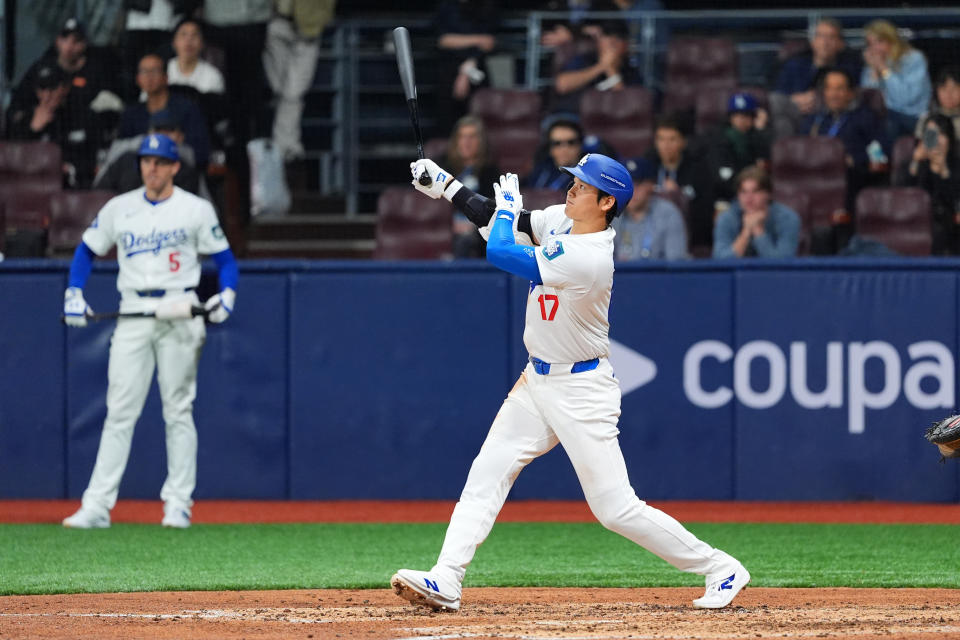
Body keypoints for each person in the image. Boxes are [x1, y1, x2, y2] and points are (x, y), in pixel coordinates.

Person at [390, 152, 750, 612]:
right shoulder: (563, 220)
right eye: (574, 181)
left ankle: (720, 567)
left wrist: (503, 213)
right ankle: (447, 578)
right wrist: (446, 185)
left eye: (583, 186)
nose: (572, 189)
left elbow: (500, 249)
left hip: (581, 389)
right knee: (487, 472)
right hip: (536, 380)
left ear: (605, 202)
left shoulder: (590, 257)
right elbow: (509, 221)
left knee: (615, 509)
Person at [61, 133, 238, 530]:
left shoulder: (195, 209)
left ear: (175, 166)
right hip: (133, 309)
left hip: (179, 307)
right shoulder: (119, 208)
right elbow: (86, 250)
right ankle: (97, 506)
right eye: (146, 160)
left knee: (178, 409)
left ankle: (178, 505)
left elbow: (226, 262)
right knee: (119, 411)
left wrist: (227, 295)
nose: (151, 167)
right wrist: (73, 292)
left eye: (159, 161)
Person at [7, 18, 123, 187]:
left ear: (64, 89)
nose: (48, 95)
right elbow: (12, 155)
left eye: (53, 88)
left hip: (74, 184)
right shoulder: (29, 114)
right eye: (43, 89)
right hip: (32, 185)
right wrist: (32, 128)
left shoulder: (82, 108)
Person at [800, 68, 886, 216]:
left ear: (850, 93)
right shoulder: (814, 120)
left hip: (849, 178)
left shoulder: (865, 118)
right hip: (814, 175)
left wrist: (854, 160)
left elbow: (879, 155)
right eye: (829, 89)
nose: (834, 95)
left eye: (839, 89)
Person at [263, 0, 335, 162]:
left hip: (308, 27)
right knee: (279, 89)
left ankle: (284, 148)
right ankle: (285, 145)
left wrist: (320, 19)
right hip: (276, 21)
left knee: (294, 91)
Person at [770, 18, 862, 138]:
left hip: (829, 115)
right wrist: (794, 100)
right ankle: (788, 153)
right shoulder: (795, 64)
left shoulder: (848, 68)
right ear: (813, 42)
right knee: (775, 106)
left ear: (840, 44)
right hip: (796, 112)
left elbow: (854, 97)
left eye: (831, 37)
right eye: (821, 36)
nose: (825, 42)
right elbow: (779, 94)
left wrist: (820, 99)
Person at [118, 53, 211, 168]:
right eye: (144, 71)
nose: (149, 77)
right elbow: (118, 151)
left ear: (166, 77)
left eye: (155, 71)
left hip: (178, 171)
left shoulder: (187, 109)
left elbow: (202, 154)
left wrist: (179, 141)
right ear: (138, 79)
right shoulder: (131, 113)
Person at [645, 114, 715, 254]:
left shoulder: (699, 172)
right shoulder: (647, 170)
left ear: (683, 142)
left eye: (672, 139)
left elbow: (706, 215)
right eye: (661, 139)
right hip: (650, 237)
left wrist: (679, 196)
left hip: (689, 238)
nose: (666, 145)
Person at [432, 0, 498, 137]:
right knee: (447, 123)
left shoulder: (486, 6)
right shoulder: (447, 6)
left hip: (477, 66)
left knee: (479, 122)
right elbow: (443, 40)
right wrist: (477, 39)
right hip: (448, 69)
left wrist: (468, 68)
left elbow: (489, 42)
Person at [94, 110, 201, 195]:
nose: (163, 135)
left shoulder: (186, 168)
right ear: (148, 134)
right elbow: (99, 194)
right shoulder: (126, 159)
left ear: (181, 137)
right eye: (158, 130)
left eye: (170, 130)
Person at [860, 19, 931, 140]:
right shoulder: (875, 63)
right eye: (870, 44)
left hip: (914, 117)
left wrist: (884, 70)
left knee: (889, 121)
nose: (875, 48)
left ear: (892, 41)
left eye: (879, 42)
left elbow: (904, 98)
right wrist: (874, 72)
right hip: (885, 118)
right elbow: (868, 100)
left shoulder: (913, 59)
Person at [550, 18, 638, 116]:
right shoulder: (584, 59)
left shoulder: (630, 70)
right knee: (563, 131)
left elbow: (627, 105)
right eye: (607, 35)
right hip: (573, 115)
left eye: (618, 37)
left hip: (611, 120)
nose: (612, 42)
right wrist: (601, 66)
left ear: (626, 45)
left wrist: (612, 71)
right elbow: (562, 85)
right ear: (599, 41)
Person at [442, 115, 501, 258]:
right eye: (462, 137)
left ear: (481, 141)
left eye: (472, 137)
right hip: (447, 226)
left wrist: (474, 224)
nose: (466, 143)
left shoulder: (490, 171)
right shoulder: (444, 168)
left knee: (467, 240)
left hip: (477, 229)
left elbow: (492, 206)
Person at [713, 166, 800, 258]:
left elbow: (782, 264)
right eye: (743, 192)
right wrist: (746, 232)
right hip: (738, 272)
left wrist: (758, 231)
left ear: (768, 194)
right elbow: (720, 261)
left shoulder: (788, 218)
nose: (748, 198)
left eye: (755, 191)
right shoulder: (726, 218)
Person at [612, 157, 689, 260]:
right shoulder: (610, 216)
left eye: (638, 184)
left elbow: (676, 266)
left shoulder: (668, 214)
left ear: (651, 185)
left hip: (657, 276)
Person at [908, 113, 960, 255]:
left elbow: (955, 200)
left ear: (949, 138)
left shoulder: (956, 165)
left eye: (941, 134)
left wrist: (944, 172)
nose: (936, 140)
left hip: (950, 226)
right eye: (931, 134)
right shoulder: (916, 164)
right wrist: (915, 162)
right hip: (915, 221)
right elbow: (902, 194)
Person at [710, 92, 772, 201]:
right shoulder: (720, 138)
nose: (741, 120)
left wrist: (760, 131)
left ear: (753, 118)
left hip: (756, 194)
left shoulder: (758, 137)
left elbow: (764, 168)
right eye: (736, 116)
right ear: (730, 118)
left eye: (745, 116)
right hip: (727, 194)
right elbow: (722, 175)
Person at [167, 18, 225, 95]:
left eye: (194, 35)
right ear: (174, 43)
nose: (188, 40)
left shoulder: (213, 76)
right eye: (183, 35)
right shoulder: (162, 70)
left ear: (202, 44)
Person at [524, 119, 585, 190]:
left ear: (580, 145)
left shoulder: (587, 178)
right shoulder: (541, 168)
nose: (564, 149)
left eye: (571, 142)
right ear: (549, 148)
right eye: (557, 143)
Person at [914, 66, 960, 143]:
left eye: (954, 88)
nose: (949, 94)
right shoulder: (928, 119)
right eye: (943, 88)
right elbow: (925, 149)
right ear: (936, 91)